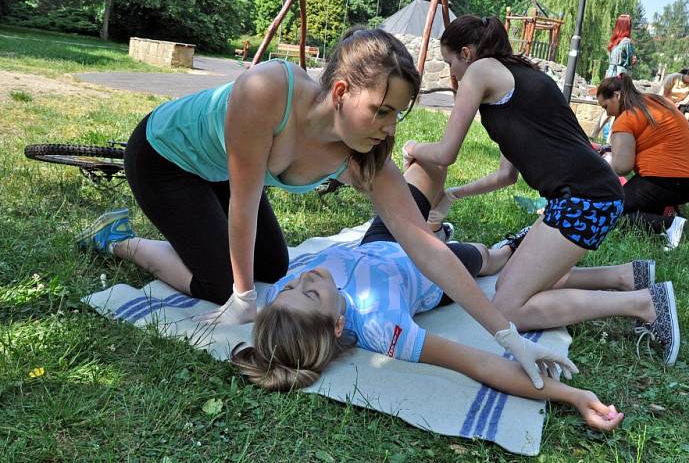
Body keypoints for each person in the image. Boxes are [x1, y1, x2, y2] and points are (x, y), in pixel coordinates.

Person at [76, 27, 575, 390]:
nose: (389, 128)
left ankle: (180, 249)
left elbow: (424, 245)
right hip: (164, 158)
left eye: (396, 115)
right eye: (381, 111)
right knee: (225, 284)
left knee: (271, 267)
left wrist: (508, 337)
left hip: (222, 172)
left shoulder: (363, 156)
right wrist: (244, 297)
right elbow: (243, 207)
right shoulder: (267, 90)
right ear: (340, 92)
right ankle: (122, 241)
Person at [231, 160, 646, 431]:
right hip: (435, 267)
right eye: (311, 293)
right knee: (491, 257)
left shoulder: (286, 294)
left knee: (424, 165)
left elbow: (243, 285)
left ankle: (433, 220)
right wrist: (573, 396)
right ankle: (475, 241)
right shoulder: (384, 329)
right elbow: (479, 363)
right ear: (338, 324)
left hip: (385, 236)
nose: (306, 278)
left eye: (292, 286)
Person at [401, 15, 680, 365]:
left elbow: (446, 152)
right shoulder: (514, 83)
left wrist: (412, 147)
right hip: (584, 195)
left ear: (467, 53)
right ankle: (627, 276)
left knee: (508, 307)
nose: (453, 73)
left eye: (450, 63)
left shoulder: (480, 71)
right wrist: (453, 195)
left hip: (585, 199)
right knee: (523, 278)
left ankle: (643, 304)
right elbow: (506, 175)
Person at [595, 73, 689, 250]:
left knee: (607, 212)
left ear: (617, 96)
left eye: (606, 106)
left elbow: (622, 167)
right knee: (631, 206)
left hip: (665, 179)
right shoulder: (656, 100)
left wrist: (597, 162)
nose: (607, 112)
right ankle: (662, 214)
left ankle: (669, 225)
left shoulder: (625, 119)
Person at [591, 14, 637, 141]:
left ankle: (597, 135)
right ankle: (606, 138)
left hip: (610, 74)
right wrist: (633, 61)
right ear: (627, 26)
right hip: (620, 75)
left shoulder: (614, 42)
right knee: (617, 107)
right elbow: (628, 60)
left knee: (608, 104)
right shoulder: (627, 42)